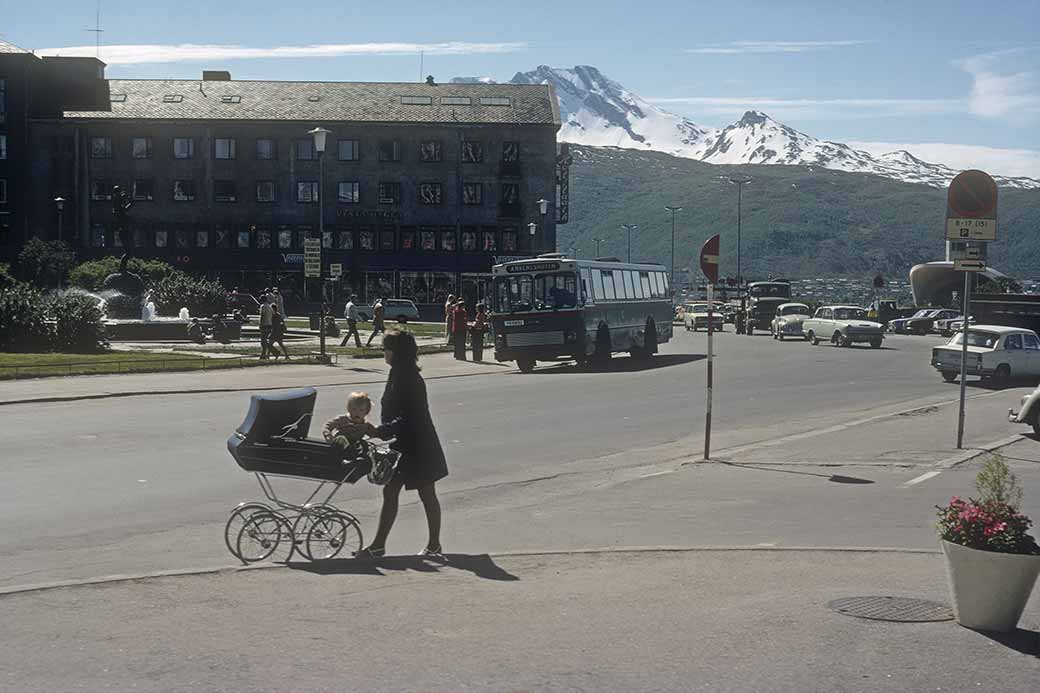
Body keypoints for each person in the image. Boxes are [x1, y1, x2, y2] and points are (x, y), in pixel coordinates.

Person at [351, 330, 447, 557]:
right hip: (406, 444)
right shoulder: (399, 374)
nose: (383, 353)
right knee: (394, 490)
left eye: (386, 349)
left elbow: (409, 417)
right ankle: (381, 546)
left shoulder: (409, 379)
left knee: (424, 493)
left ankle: (431, 544)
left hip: (419, 446)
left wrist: (380, 431)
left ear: (396, 352)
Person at [258, 293, 274, 359]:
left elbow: (262, 315)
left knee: (263, 340)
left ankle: (264, 354)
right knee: (265, 340)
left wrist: (260, 324)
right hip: (269, 324)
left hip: (264, 324)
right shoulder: (270, 307)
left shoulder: (263, 306)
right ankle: (264, 354)